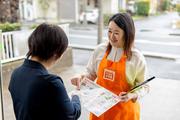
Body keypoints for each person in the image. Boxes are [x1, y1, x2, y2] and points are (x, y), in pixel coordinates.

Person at [71, 13, 149, 120]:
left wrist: (132, 95)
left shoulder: (136, 57)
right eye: (109, 31)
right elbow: (91, 74)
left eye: (116, 33)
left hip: (124, 113)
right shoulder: (100, 50)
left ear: (127, 34)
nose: (111, 36)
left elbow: (144, 86)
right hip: (99, 111)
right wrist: (80, 77)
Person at [9, 23, 81, 120]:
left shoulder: (16, 74)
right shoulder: (51, 83)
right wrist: (76, 96)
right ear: (56, 54)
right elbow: (71, 114)